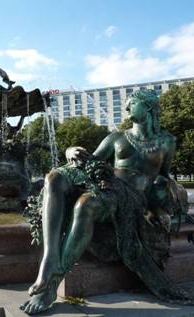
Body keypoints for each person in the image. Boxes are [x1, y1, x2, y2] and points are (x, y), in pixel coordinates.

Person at [21, 90, 192, 314]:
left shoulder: (167, 142)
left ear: (148, 108)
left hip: (133, 199)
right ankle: (50, 258)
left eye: (132, 104)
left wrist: (162, 199)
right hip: (109, 187)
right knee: (53, 177)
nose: (127, 108)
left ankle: (52, 283)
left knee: (85, 205)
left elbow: (164, 176)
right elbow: (89, 161)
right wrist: (69, 150)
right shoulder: (116, 138)